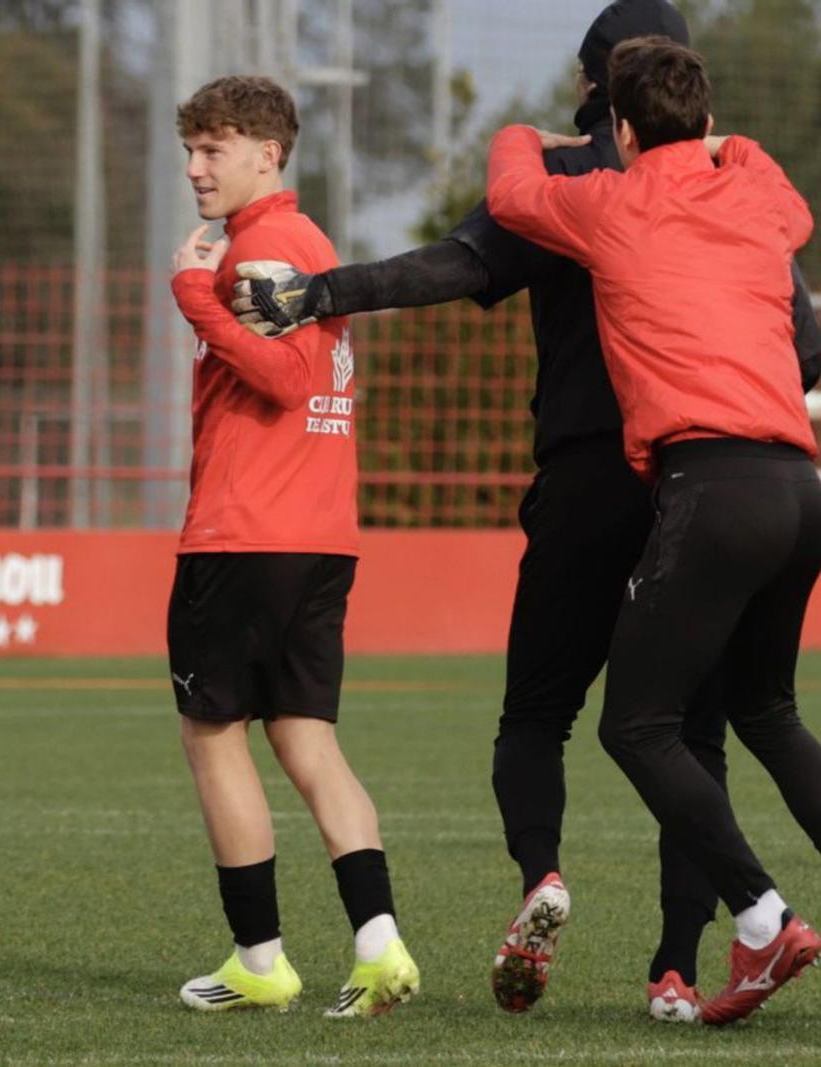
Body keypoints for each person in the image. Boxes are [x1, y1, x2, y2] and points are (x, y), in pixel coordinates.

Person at [227, 0, 821, 1022]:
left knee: (567, 718)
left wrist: (320, 292)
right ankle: (676, 968)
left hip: (635, 479)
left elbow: (461, 256)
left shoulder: (589, 195)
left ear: (599, 97)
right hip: (786, 477)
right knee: (727, 722)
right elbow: (805, 326)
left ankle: (578, 884)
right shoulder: (752, 203)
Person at [487, 33, 821, 1027]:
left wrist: (528, 130)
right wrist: (721, 146)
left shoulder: (613, 202)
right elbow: (790, 202)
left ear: (622, 131)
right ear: (709, 123)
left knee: (635, 724)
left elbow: (510, 195)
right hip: (801, 482)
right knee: (764, 709)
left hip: (712, 484)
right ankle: (745, 919)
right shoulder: (756, 190)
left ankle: (762, 915)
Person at [166, 75, 420, 1018]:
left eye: (215, 149)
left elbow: (278, 374)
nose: (195, 168)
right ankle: (379, 942)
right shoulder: (309, 243)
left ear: (269, 153)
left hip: (246, 533)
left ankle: (261, 957)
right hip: (318, 531)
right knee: (308, 737)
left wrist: (194, 294)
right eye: (191, 149)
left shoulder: (262, 249)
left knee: (211, 735)